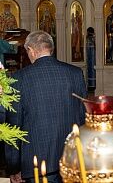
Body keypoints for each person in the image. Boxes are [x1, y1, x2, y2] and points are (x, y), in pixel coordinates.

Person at [5, 30, 87, 183]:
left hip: (37, 162)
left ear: (30, 50)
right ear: (51, 49)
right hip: (72, 157)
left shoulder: (18, 79)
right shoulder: (75, 73)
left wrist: (14, 166)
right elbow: (83, 117)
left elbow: (14, 128)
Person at [86, 27, 96, 91]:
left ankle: (91, 85)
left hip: (91, 57)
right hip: (92, 58)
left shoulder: (89, 38)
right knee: (91, 70)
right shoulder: (92, 38)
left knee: (91, 70)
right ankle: (92, 85)